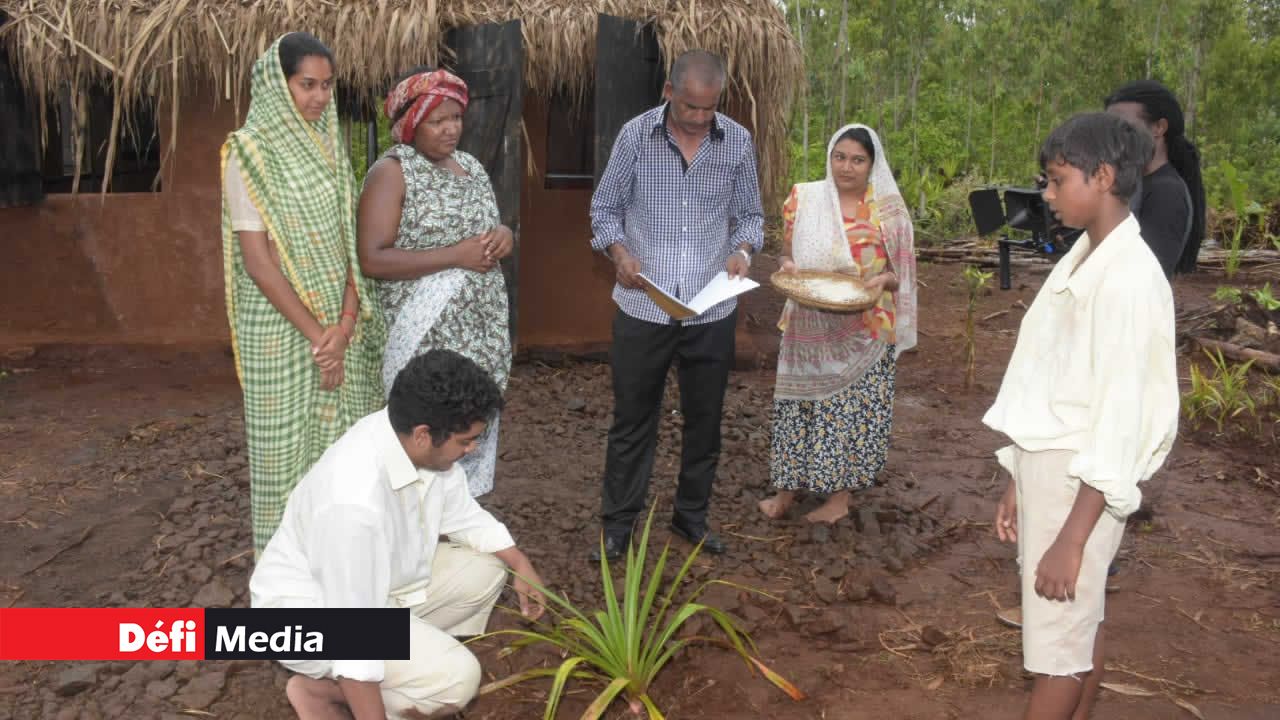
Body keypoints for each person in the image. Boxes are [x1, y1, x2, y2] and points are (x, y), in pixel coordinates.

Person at [984, 113, 1178, 720]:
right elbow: (1049, 376)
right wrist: (1018, 472)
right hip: (1054, 472)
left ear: (1102, 176)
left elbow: (1119, 416)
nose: (1046, 194)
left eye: (1056, 180)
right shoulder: (1087, 257)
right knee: (1076, 622)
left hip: (1079, 483)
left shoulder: (1127, 279)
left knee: (1056, 652)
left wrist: (1072, 537)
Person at [251, 349, 546, 720]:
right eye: (466, 440)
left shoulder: (405, 438)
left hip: (376, 589)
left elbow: (464, 515)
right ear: (424, 434)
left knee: (486, 569)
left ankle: (396, 670)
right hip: (312, 619)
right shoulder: (354, 504)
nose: (473, 449)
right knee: (457, 680)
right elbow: (353, 634)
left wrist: (521, 563)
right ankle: (327, 693)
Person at [589, 49, 764, 560]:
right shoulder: (635, 137)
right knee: (632, 419)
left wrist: (742, 251)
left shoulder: (736, 142)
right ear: (669, 93)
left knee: (705, 420)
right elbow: (604, 210)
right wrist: (619, 253)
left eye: (710, 109)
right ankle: (618, 525)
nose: (700, 118)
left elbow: (751, 216)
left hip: (711, 310)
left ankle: (691, 518)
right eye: (691, 107)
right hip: (644, 308)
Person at [221, 32, 387, 556]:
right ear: (278, 84)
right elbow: (258, 260)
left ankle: (342, 566)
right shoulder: (249, 152)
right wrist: (322, 338)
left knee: (347, 454)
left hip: (341, 322)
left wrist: (345, 322)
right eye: (306, 85)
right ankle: (286, 579)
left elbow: (345, 240)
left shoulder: (330, 145)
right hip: (280, 330)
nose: (318, 97)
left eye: (326, 86)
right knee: (283, 456)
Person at [358, 67, 514, 498]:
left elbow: (488, 227)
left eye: (456, 118)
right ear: (411, 123)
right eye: (437, 120)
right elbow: (372, 258)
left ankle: (458, 517)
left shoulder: (471, 166)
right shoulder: (392, 172)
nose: (451, 129)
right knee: (430, 432)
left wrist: (504, 236)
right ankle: (414, 530)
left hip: (480, 333)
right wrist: (455, 256)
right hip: (427, 337)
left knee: (466, 428)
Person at [758, 124, 917, 524]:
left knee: (846, 412)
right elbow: (786, 254)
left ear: (872, 164)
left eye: (858, 159)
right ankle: (787, 491)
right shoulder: (805, 197)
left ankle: (839, 499)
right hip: (807, 323)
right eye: (840, 156)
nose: (846, 167)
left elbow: (904, 275)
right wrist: (788, 265)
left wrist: (884, 280)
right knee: (797, 405)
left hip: (864, 328)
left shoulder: (889, 212)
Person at [1105, 79, 1207, 278]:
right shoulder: (1136, 184)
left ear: (1159, 128)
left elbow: (1145, 276)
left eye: (1124, 127)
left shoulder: (1167, 193)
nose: (1113, 137)